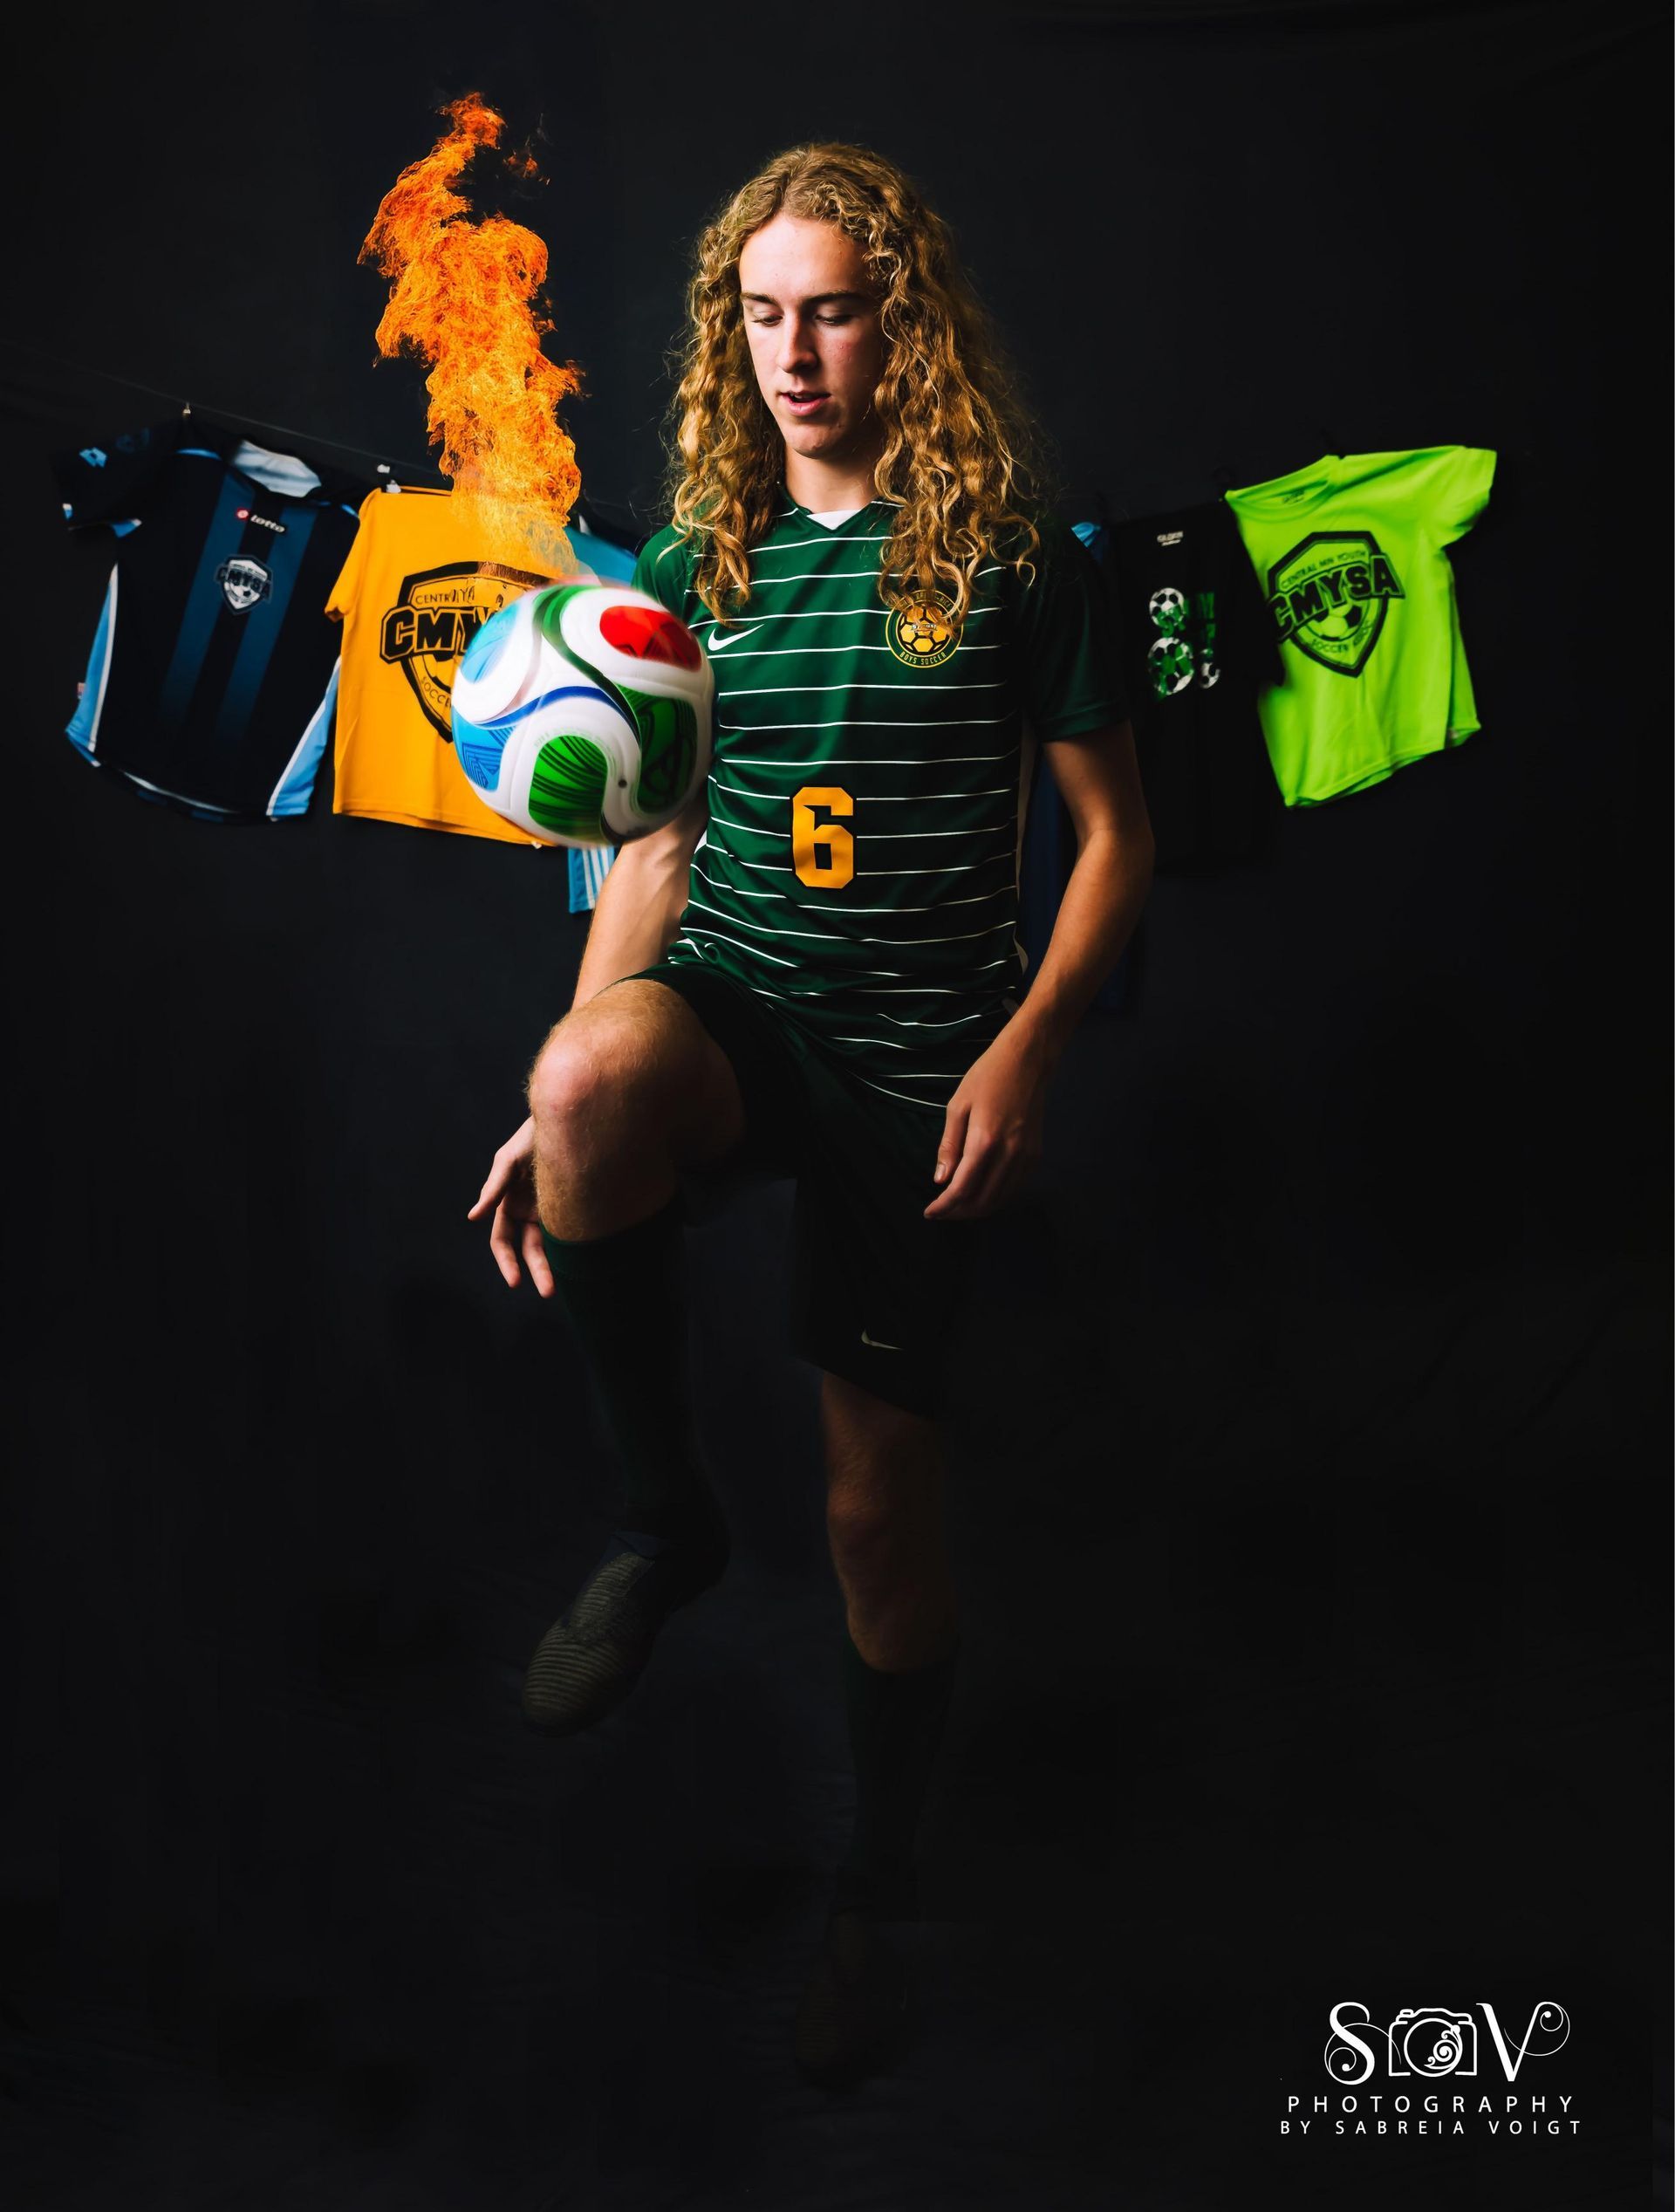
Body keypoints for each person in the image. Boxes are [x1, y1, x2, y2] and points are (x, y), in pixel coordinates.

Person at [468, 142, 1154, 2089]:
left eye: (832, 308)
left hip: (916, 1062)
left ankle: (881, 1890)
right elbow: (664, 844)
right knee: (585, 1075)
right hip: (743, 1008)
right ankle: (664, 1523)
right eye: (761, 314)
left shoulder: (1015, 551)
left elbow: (1116, 840)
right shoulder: (697, 575)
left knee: (876, 1518)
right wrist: (563, 1077)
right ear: (730, 333)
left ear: (898, 322)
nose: (794, 350)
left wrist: (1024, 1046)